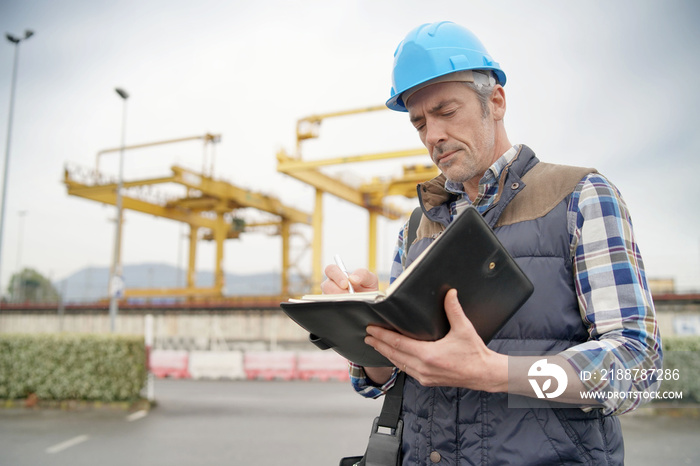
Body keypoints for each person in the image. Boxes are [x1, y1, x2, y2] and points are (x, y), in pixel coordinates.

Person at [322, 21, 663, 465]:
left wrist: (495, 373)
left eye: (446, 111)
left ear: (495, 101)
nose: (432, 135)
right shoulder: (416, 227)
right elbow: (388, 380)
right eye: (420, 123)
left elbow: (639, 367)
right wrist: (368, 324)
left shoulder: (581, 196)